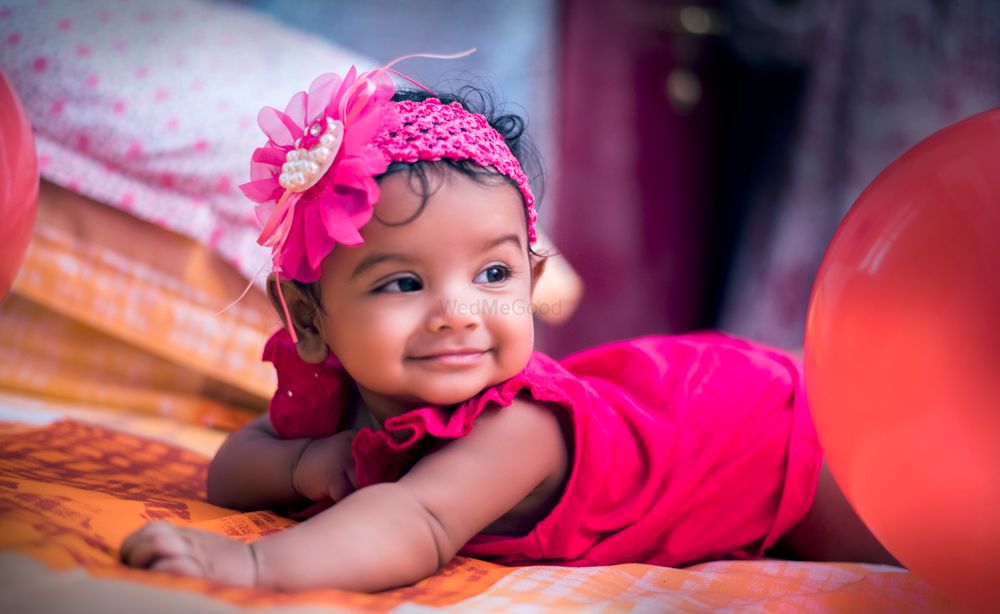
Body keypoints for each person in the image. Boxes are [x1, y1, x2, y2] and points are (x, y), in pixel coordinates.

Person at [120, 60, 898, 592]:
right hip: (678, 402)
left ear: (530, 281)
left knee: (921, 533)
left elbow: (416, 519)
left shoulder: (515, 428)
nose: (460, 310)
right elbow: (234, 466)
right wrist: (299, 465)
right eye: (402, 282)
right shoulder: (346, 399)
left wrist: (256, 570)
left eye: (493, 275)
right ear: (314, 324)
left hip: (771, 443)